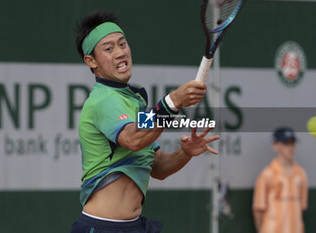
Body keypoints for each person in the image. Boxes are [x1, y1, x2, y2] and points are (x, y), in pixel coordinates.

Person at [70, 10, 220, 233]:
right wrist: (173, 100)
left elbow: (158, 167)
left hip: (134, 226)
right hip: (102, 228)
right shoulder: (102, 100)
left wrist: (185, 152)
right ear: (91, 61)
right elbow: (133, 138)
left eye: (122, 44)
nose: (120, 52)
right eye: (109, 48)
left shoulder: (134, 101)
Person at [253, 127, 308, 233]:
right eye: (286, 143)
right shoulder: (267, 174)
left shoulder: (301, 173)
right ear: (275, 146)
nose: (290, 147)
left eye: (292, 143)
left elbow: (301, 207)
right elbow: (258, 208)